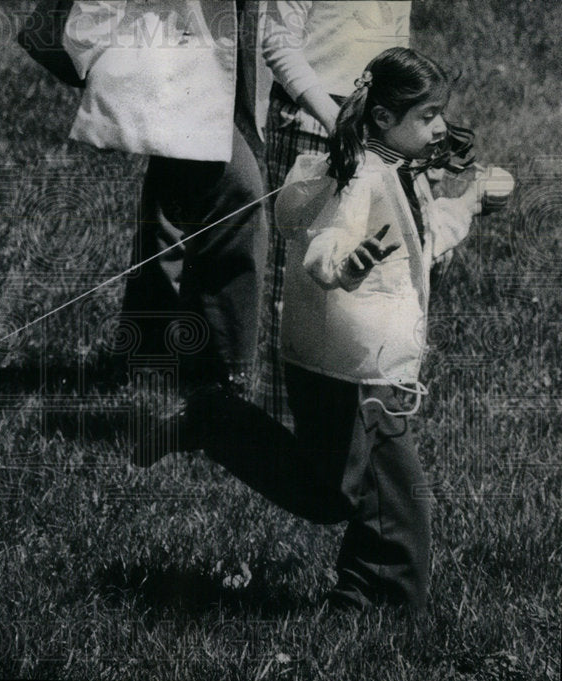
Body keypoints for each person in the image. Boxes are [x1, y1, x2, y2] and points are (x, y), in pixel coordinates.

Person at [192, 47, 510, 609]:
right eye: (428, 115)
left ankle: (213, 421)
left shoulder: (396, 168)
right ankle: (378, 605)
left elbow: (429, 233)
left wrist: (472, 200)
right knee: (397, 497)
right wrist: (346, 266)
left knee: (329, 493)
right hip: (359, 364)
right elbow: (325, 245)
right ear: (384, 118)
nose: (440, 127)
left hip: (334, 357)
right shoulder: (360, 173)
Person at [62, 1, 274, 466]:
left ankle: (147, 348)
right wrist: (90, 51)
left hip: (223, 36)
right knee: (238, 191)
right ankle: (226, 374)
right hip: (163, 47)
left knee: (181, 182)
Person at [257, 1, 412, 429]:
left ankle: (355, 421)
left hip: (377, 126)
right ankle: (288, 424)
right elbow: (278, 44)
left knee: (368, 276)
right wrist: (335, 121)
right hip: (310, 119)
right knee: (299, 279)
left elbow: (398, 46)